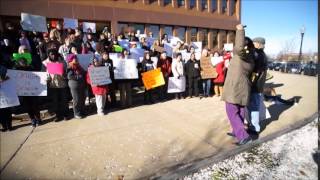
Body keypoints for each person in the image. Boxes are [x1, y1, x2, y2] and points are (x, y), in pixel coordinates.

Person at [221, 24, 256, 146]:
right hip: (242, 88)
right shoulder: (250, 57)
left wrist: (240, 31)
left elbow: (239, 48)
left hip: (235, 87)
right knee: (240, 111)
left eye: (242, 42)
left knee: (231, 111)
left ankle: (243, 136)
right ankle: (237, 131)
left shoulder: (244, 55)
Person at [247, 37, 268, 133]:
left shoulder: (258, 54)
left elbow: (255, 71)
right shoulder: (261, 54)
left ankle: (255, 128)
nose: (252, 44)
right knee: (252, 106)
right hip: (256, 85)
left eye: (253, 43)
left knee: (254, 107)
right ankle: (253, 125)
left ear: (259, 44)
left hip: (255, 85)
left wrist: (250, 83)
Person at [13, 56, 42, 127]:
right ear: (19, 63)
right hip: (23, 92)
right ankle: (32, 119)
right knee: (28, 107)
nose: (23, 64)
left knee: (35, 106)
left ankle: (38, 119)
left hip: (32, 91)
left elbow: (38, 76)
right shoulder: (16, 70)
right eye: (22, 63)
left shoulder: (31, 68)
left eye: (24, 62)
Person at [42, 49, 69, 121]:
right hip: (52, 85)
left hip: (62, 84)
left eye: (54, 54)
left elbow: (67, 71)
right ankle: (58, 115)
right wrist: (47, 78)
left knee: (64, 100)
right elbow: (42, 74)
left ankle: (65, 114)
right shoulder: (45, 63)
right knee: (55, 101)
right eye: (51, 54)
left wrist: (64, 73)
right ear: (49, 55)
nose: (53, 56)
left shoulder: (62, 61)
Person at [66, 54, 86, 119]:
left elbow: (83, 72)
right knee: (76, 99)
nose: (76, 59)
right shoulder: (70, 67)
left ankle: (82, 111)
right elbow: (69, 76)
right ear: (71, 60)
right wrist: (78, 76)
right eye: (75, 58)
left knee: (82, 98)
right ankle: (77, 113)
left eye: (76, 58)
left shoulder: (78, 66)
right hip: (74, 85)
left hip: (81, 84)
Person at [0, 65, 13, 131]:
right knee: (1, 112)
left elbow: (9, 75)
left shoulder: (2, 68)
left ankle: (9, 126)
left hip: (5, 92)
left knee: (7, 110)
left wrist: (4, 78)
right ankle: (4, 126)